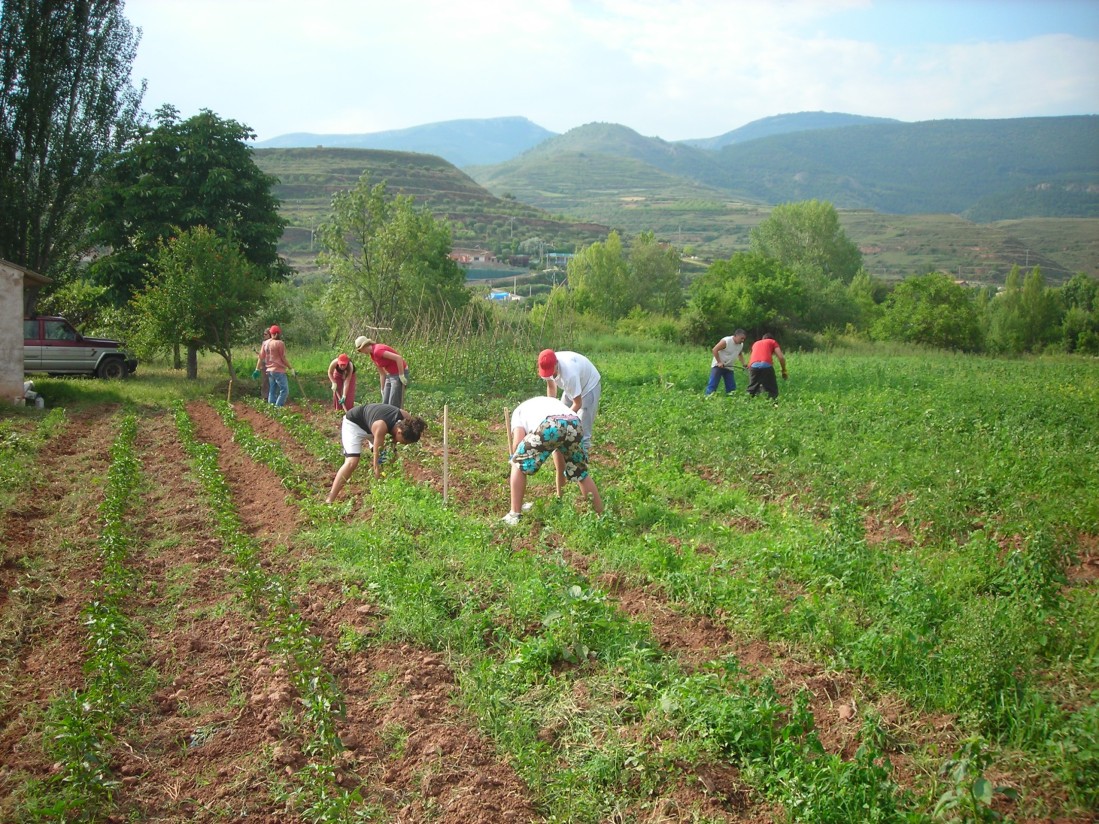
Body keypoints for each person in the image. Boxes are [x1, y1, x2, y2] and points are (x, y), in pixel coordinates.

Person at [502, 395, 603, 526]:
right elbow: (558, 446)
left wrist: (515, 457)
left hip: (551, 424)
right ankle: (601, 514)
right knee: (580, 472)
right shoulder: (545, 403)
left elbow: (517, 442)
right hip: (574, 422)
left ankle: (514, 514)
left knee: (517, 463)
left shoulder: (517, 413)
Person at [325, 403, 426, 503]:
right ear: (399, 432)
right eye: (402, 441)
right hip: (355, 424)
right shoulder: (381, 426)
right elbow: (377, 464)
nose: (400, 443)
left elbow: (389, 455)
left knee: (391, 458)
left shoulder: (408, 421)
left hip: (373, 425)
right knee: (352, 462)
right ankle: (330, 499)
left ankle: (394, 492)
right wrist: (379, 487)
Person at [537, 349, 601, 453]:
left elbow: (577, 403)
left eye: (551, 371)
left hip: (589, 386)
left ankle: (583, 455)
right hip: (572, 387)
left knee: (582, 426)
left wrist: (562, 420)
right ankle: (564, 446)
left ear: (556, 364)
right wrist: (551, 410)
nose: (549, 374)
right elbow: (551, 387)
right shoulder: (546, 363)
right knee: (561, 413)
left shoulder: (570, 374)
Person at [355, 336, 410, 409]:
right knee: (385, 403)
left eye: (360, 350)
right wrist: (382, 389)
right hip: (390, 375)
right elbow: (382, 373)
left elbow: (398, 358)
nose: (360, 352)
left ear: (363, 346)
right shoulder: (372, 355)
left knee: (393, 403)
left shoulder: (378, 350)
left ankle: (397, 419)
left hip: (399, 373)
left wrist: (401, 375)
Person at [254, 325, 294, 407]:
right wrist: (291, 368)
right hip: (278, 370)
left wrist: (257, 369)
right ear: (277, 334)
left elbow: (261, 357)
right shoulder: (279, 343)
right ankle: (278, 407)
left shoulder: (265, 343)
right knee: (284, 390)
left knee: (272, 390)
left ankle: (271, 408)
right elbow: (283, 358)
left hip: (269, 370)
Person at [706, 328, 748, 396]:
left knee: (731, 387)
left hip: (729, 367)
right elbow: (714, 350)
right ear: (736, 336)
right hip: (718, 366)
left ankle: (731, 400)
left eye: (744, 339)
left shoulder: (740, 345)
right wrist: (719, 362)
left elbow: (740, 354)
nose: (742, 340)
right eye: (741, 338)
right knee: (713, 385)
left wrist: (744, 364)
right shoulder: (726, 341)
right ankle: (708, 398)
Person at [746, 333, 788, 400]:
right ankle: (773, 405)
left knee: (752, 389)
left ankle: (746, 403)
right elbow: (781, 358)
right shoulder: (772, 342)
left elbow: (753, 356)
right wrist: (784, 370)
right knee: (772, 389)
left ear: (763, 339)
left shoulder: (756, 343)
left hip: (753, 366)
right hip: (766, 366)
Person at [256, 328, 271, 400]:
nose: (264, 335)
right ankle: (265, 397)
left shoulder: (270, 343)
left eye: (265, 334)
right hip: (265, 364)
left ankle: (269, 397)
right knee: (265, 381)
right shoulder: (264, 343)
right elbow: (261, 356)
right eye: (263, 334)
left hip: (270, 365)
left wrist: (257, 368)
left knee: (269, 381)